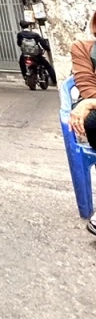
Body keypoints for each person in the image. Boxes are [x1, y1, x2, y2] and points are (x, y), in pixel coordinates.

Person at [69, 12, 96, 236]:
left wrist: (91, 103)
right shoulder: (83, 48)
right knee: (92, 120)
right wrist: (90, 102)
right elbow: (88, 89)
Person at [17, 20, 56, 85]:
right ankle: (55, 80)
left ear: (21, 26)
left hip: (25, 54)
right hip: (36, 54)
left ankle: (25, 76)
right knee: (48, 66)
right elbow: (42, 43)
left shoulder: (20, 34)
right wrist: (48, 49)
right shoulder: (35, 34)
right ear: (28, 26)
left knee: (21, 63)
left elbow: (19, 43)